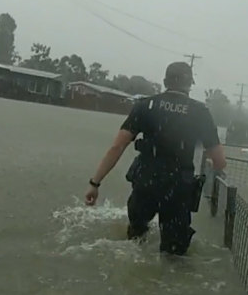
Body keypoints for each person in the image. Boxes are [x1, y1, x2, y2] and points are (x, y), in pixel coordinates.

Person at [84, 62, 227, 255]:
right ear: (189, 84)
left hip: (145, 182)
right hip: (177, 188)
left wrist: (95, 183)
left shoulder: (145, 105)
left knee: (134, 240)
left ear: (165, 81)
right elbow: (219, 161)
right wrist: (213, 163)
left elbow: (117, 146)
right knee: (174, 254)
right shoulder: (199, 112)